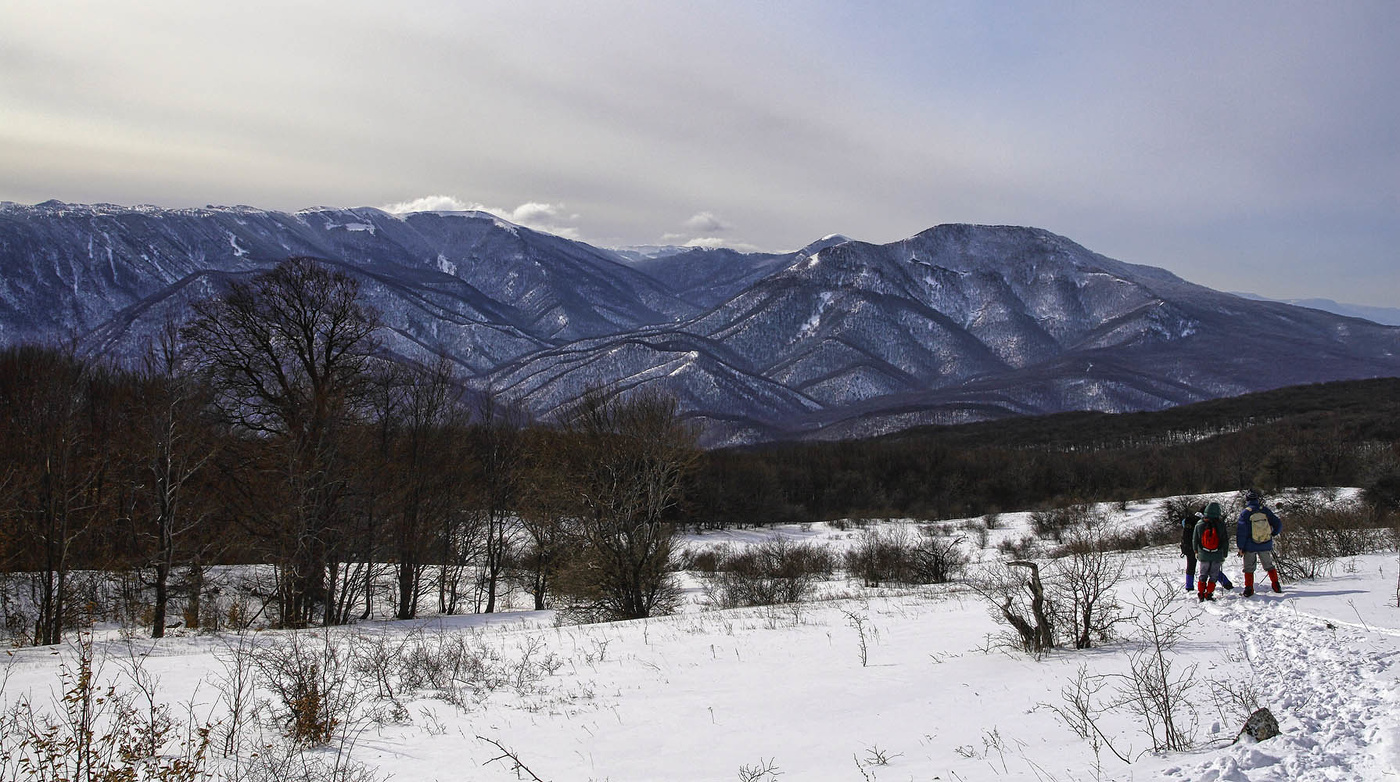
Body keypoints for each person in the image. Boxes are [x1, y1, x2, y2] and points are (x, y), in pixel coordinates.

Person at [1237, 489, 1283, 596]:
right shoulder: (1265, 510)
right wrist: (1273, 534)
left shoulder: (1245, 513)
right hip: (1265, 543)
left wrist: (1241, 547)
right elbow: (1278, 524)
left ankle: (1249, 588)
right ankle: (1276, 585)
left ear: (1247, 500)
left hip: (1250, 545)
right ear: (1257, 499)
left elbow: (1241, 533)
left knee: (1249, 568)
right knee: (1269, 566)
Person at [1181, 505, 1233, 593]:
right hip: (1202, 548)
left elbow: (1184, 527)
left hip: (1188, 547)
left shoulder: (1188, 519)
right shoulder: (1204, 522)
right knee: (1211, 568)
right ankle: (1226, 583)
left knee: (1190, 567)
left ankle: (1189, 586)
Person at [1193, 502, 1231, 602]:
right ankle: (1209, 593)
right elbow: (1224, 541)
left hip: (1203, 554)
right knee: (1214, 575)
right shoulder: (1221, 525)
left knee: (1203, 575)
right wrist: (1225, 553)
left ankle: (1201, 593)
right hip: (1217, 554)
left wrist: (1196, 551)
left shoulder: (1200, 524)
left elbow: (1195, 539)